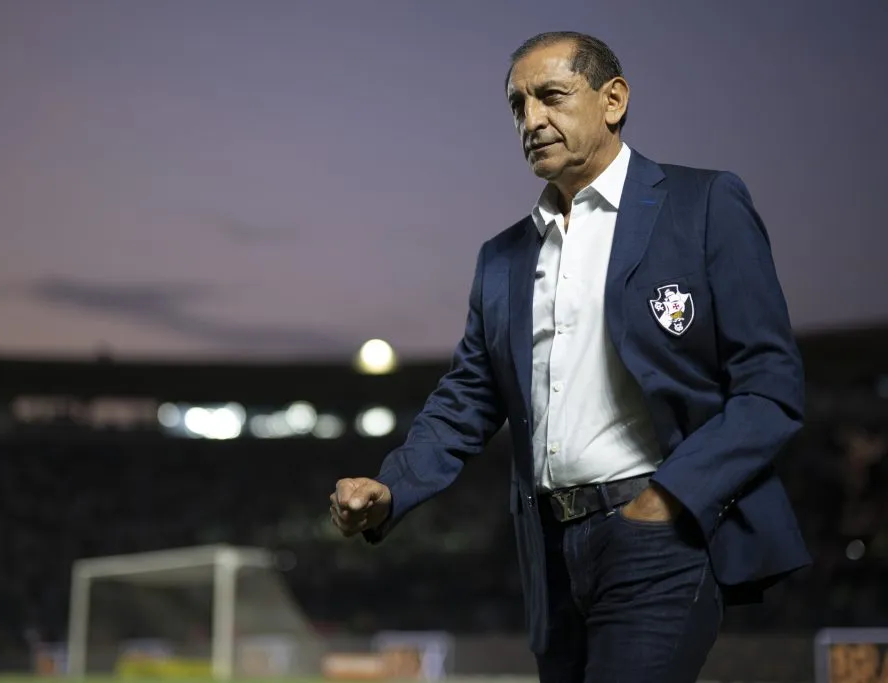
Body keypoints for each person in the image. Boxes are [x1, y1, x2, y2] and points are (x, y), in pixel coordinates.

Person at [328, 31, 809, 683]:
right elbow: (468, 398)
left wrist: (671, 498)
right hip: (550, 555)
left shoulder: (703, 206)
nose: (531, 120)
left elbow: (770, 388)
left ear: (613, 100)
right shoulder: (500, 258)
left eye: (551, 95)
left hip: (660, 534)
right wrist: (392, 486)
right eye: (517, 106)